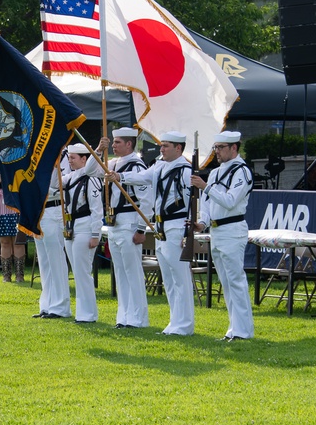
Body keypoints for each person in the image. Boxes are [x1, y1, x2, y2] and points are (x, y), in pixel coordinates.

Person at [109, 131, 194, 335]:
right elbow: (142, 177)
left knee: (180, 277)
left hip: (176, 223)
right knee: (169, 278)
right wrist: (120, 176)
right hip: (161, 226)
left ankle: (185, 324)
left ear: (178, 148)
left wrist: (188, 230)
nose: (161, 149)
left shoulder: (185, 170)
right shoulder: (160, 166)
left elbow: (191, 201)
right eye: (161, 145)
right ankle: (175, 322)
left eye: (165, 146)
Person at [191, 130, 254, 341]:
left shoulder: (242, 172)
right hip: (216, 230)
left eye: (220, 148)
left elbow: (229, 201)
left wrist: (206, 187)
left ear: (234, 148)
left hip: (233, 229)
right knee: (225, 282)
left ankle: (244, 331)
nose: (216, 152)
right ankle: (233, 328)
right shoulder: (217, 172)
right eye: (215, 147)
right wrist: (202, 223)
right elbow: (208, 206)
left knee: (236, 280)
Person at [104, 127, 151, 328]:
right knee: (120, 273)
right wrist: (100, 149)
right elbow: (90, 169)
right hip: (115, 221)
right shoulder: (114, 163)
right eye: (113, 142)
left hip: (130, 221)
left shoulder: (137, 166)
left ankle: (138, 318)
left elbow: (146, 200)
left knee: (132, 272)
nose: (113, 146)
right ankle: (123, 316)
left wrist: (141, 229)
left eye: (117, 142)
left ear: (129, 144)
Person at [62, 143, 104, 323]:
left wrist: (96, 234)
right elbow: (55, 182)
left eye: (73, 158)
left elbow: (97, 209)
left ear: (84, 159)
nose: (69, 161)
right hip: (71, 225)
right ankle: (82, 312)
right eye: (69, 157)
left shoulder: (91, 178)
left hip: (85, 225)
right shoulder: (70, 177)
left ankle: (88, 314)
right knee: (78, 271)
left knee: (83, 271)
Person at [32, 159, 72, 319]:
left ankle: (61, 306)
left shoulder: (63, 156)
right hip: (38, 210)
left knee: (56, 260)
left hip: (54, 208)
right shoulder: (37, 155)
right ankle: (47, 305)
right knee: (45, 262)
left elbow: (67, 184)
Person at [0, 164, 26, 282]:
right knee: (4, 241)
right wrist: (3, 174)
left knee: (18, 241)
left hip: (16, 203)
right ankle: (6, 275)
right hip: (0, 207)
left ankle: (19, 275)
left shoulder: (21, 165)